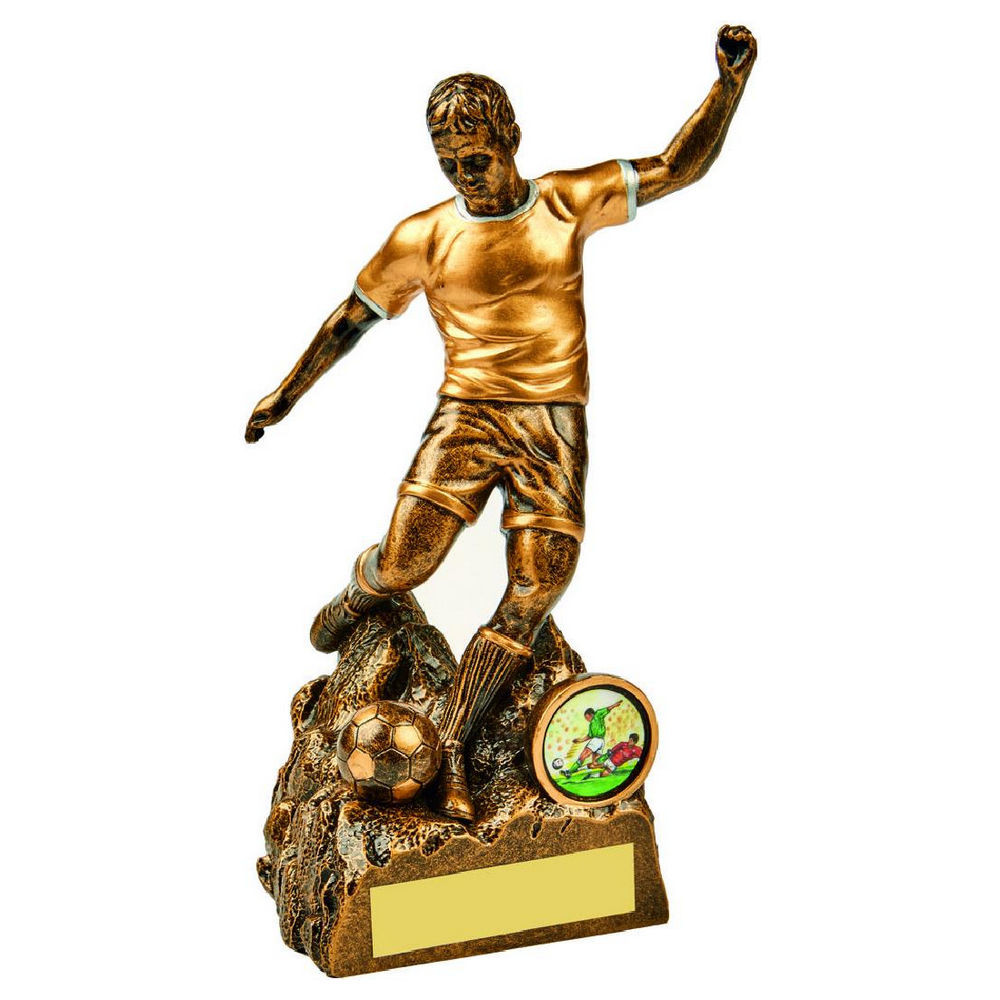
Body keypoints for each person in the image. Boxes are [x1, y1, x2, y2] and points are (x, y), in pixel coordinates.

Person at [245, 26, 757, 823]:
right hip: (467, 418)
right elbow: (352, 318)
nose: (464, 174)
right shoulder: (424, 236)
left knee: (539, 585)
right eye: (449, 163)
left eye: (476, 157)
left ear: (510, 136)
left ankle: (452, 745)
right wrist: (287, 393)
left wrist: (727, 87)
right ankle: (361, 590)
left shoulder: (564, 202)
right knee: (409, 564)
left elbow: (673, 166)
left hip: (552, 423)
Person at [561, 701, 622, 778]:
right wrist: (580, 740)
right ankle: (607, 757)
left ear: (591, 714)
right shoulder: (591, 725)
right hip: (601, 741)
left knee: (583, 755)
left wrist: (615, 705)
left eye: (587, 718)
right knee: (595, 763)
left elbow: (607, 709)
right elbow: (589, 736)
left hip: (596, 740)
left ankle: (569, 772)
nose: (587, 720)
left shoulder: (597, 714)